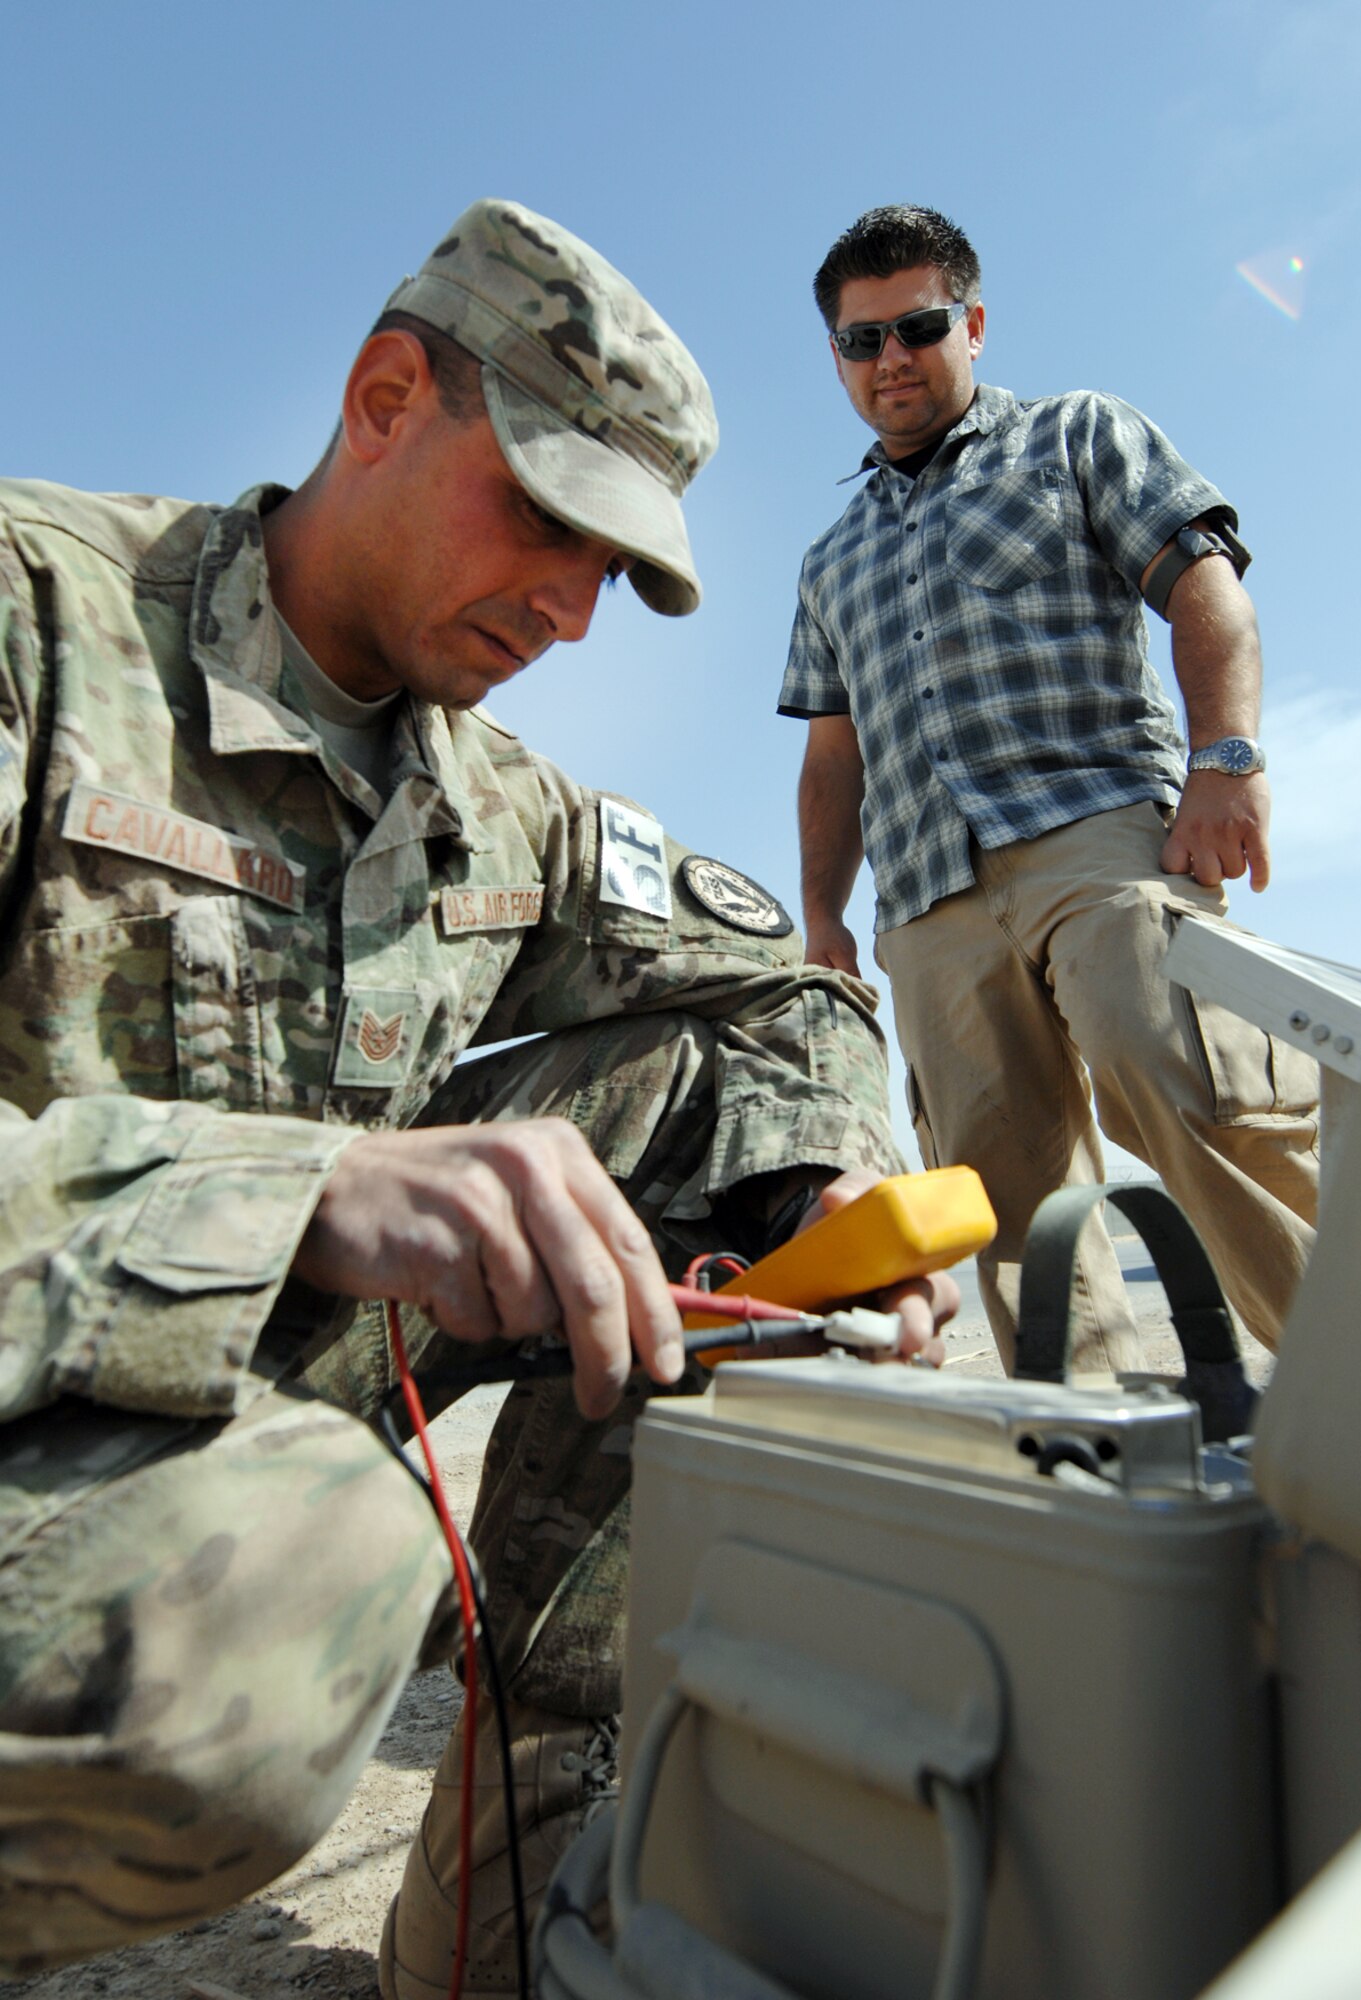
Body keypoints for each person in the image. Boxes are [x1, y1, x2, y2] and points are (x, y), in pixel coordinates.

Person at [0, 198, 956, 1995]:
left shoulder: (498, 804)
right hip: (42, 1378)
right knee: (278, 1589)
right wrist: (292, 1197)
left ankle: (496, 1925)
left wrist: (819, 1202)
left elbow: (784, 996)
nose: (574, 612)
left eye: (620, 574)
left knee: (710, 1205)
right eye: (549, 523)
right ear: (380, 399)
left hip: (288, 1369)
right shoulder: (40, 621)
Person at [780, 203, 1319, 1375]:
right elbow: (834, 758)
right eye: (859, 342)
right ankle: (1086, 1452)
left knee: (1178, 1077)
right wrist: (822, 918)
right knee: (1002, 1195)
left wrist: (1226, 758)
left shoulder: (1080, 436)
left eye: (916, 328)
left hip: (1098, 833)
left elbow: (1204, 587)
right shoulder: (828, 560)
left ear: (970, 322)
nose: (890, 361)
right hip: (927, 895)